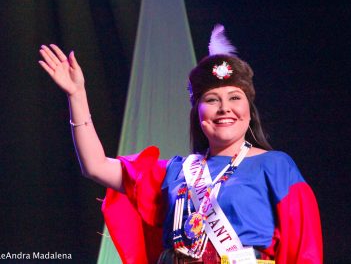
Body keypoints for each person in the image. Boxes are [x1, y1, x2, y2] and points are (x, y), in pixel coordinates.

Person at [39, 25, 323, 264]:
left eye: (235, 97)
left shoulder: (275, 166)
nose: (225, 108)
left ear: (249, 108)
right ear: (197, 112)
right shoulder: (176, 172)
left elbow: (305, 247)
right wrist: (77, 95)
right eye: (212, 100)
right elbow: (95, 166)